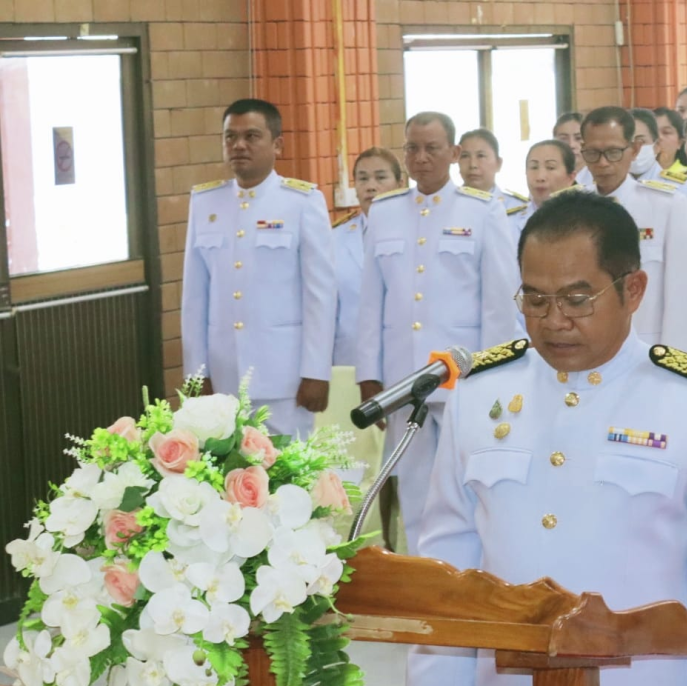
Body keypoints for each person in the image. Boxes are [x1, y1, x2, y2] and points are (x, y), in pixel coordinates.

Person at [400, 190, 687, 686]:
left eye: (577, 298)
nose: (554, 320)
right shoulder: (481, 393)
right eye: (534, 299)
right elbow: (450, 551)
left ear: (634, 290)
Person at [356, 111, 520, 549]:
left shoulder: (481, 210)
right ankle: (422, 574)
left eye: (432, 148)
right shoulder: (386, 212)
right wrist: (368, 375)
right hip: (402, 379)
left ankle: (466, 574)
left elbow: (500, 303)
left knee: (467, 485)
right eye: (412, 147)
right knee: (412, 486)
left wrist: (493, 374)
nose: (421, 158)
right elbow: (372, 301)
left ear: (453, 153)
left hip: (462, 377)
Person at [181, 98, 335, 439]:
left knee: (290, 479)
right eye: (230, 137)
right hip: (222, 376)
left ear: (277, 144)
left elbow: (320, 297)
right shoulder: (205, 202)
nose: (239, 145)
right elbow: (194, 298)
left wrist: (316, 371)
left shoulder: (302, 202)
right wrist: (196, 372)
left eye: (251, 136)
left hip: (284, 377)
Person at [580, 106, 687, 350]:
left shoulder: (667, 205)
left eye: (613, 152)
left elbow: (680, 295)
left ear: (633, 150)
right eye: (592, 153)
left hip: (646, 348)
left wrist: (672, 364)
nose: (602, 163)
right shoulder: (571, 208)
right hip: (587, 346)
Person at [332, 147, 404, 368]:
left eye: (381, 178)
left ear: (400, 184)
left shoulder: (417, 234)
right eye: (362, 179)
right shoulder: (334, 239)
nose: (371, 186)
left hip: (403, 357)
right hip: (349, 362)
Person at [508, 139, 576, 241]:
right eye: (534, 167)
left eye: (550, 167)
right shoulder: (508, 221)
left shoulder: (583, 220)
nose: (540, 177)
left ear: (570, 177)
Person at [459, 128, 529, 215]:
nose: (473, 165)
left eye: (481, 156)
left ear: (498, 164)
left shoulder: (519, 209)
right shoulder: (446, 205)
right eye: (465, 156)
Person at [630, 108, 666, 183]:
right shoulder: (608, 186)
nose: (635, 148)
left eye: (641, 142)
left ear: (657, 146)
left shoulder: (678, 186)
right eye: (629, 143)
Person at [554, 111, 591, 185]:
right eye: (563, 139)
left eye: (578, 138)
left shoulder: (599, 178)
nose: (571, 145)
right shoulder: (547, 178)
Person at [654, 106, 687, 173]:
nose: (658, 137)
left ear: (680, 143)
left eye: (666, 132)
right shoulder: (635, 173)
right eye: (653, 132)